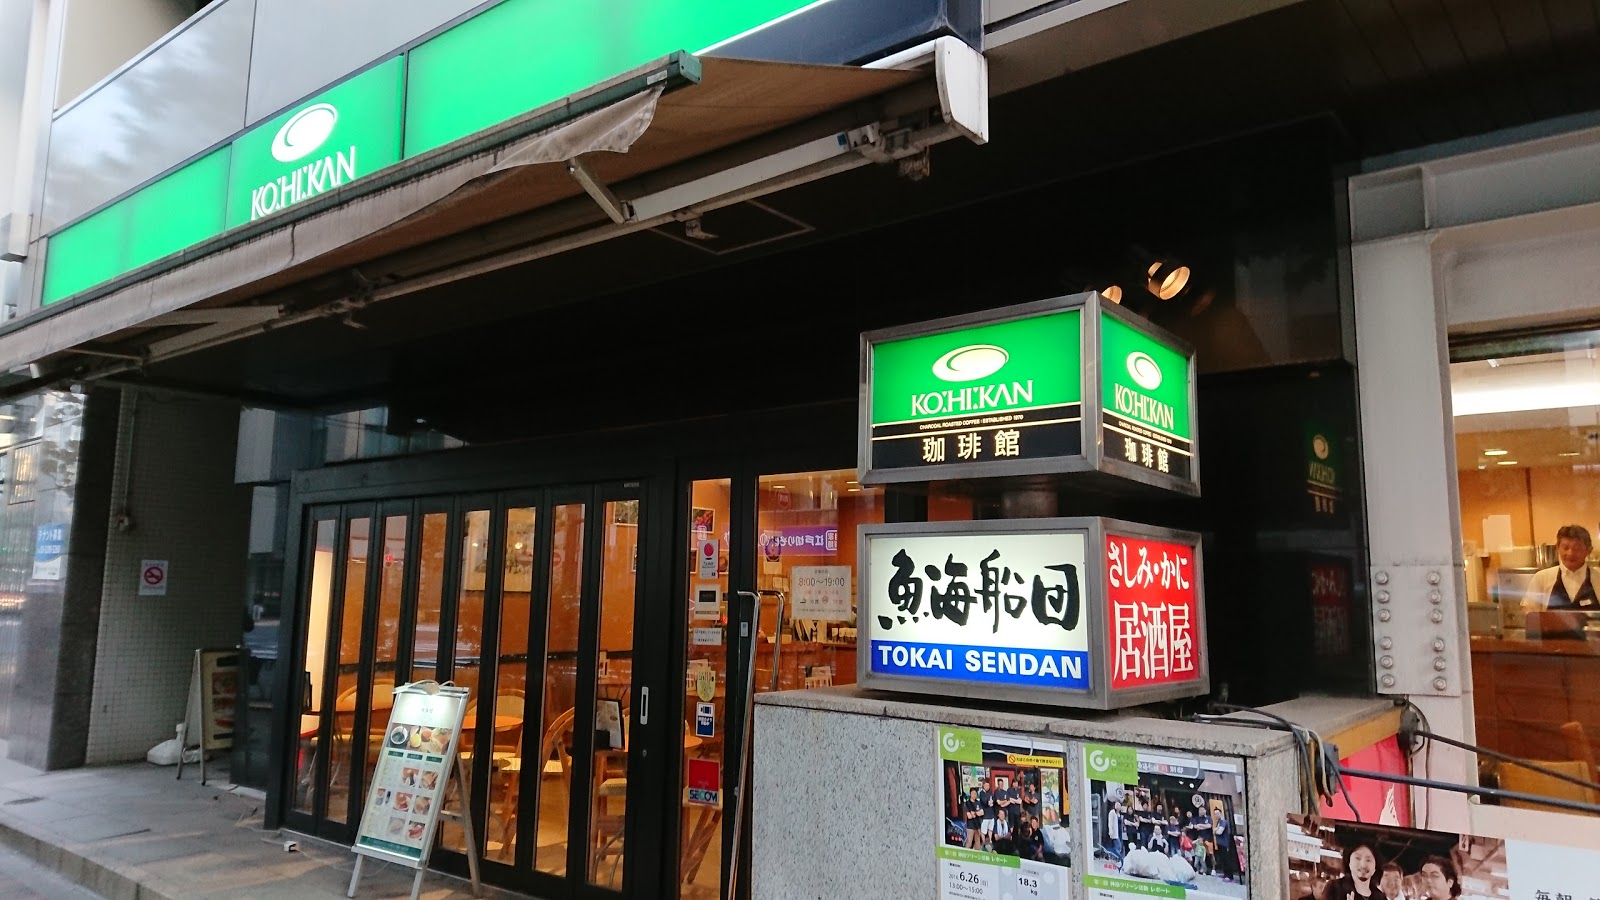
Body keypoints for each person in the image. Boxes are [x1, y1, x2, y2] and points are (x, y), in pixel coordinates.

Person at [1522, 524, 1600, 611]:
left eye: (1577, 548)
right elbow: (1530, 612)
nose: (1570, 553)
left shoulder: (1598, 578)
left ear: (1589, 550)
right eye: (1565, 548)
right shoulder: (1542, 578)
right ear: (1557, 548)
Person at [978, 779, 997, 851]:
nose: (987, 787)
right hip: (985, 815)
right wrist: (988, 803)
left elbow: (993, 801)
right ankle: (984, 842)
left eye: (988, 785)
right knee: (983, 830)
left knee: (990, 829)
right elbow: (984, 802)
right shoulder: (981, 793)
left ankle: (990, 841)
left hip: (991, 814)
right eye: (986, 785)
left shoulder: (990, 793)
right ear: (983, 785)